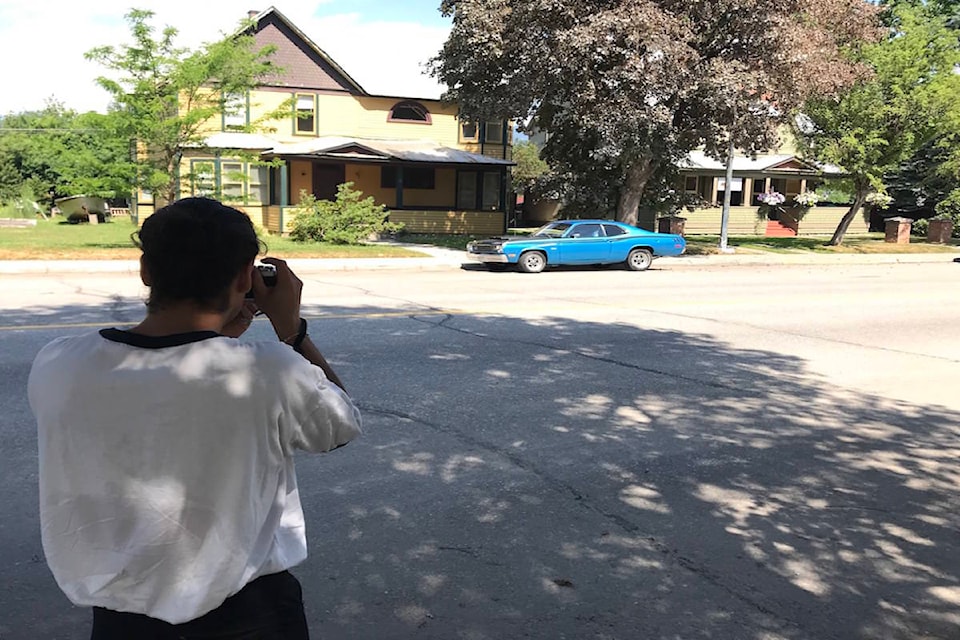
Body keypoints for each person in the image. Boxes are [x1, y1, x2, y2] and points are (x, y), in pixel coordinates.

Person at [27, 197, 362, 639]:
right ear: (246, 277)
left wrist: (214, 338)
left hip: (121, 617)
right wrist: (291, 331)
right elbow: (338, 427)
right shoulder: (266, 370)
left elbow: (158, 395)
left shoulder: (58, 362)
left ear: (146, 270)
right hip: (249, 613)